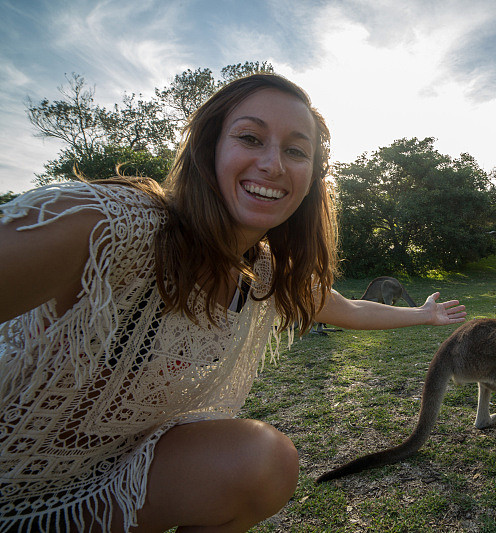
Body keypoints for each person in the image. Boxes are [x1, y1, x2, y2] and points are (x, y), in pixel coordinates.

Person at [0, 73, 466, 533]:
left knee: (265, 461)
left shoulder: (264, 272)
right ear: (209, 149)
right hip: (11, 473)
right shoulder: (112, 226)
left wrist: (424, 314)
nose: (273, 164)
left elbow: (348, 308)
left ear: (311, 179)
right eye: (250, 138)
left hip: (109, 483)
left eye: (296, 151)